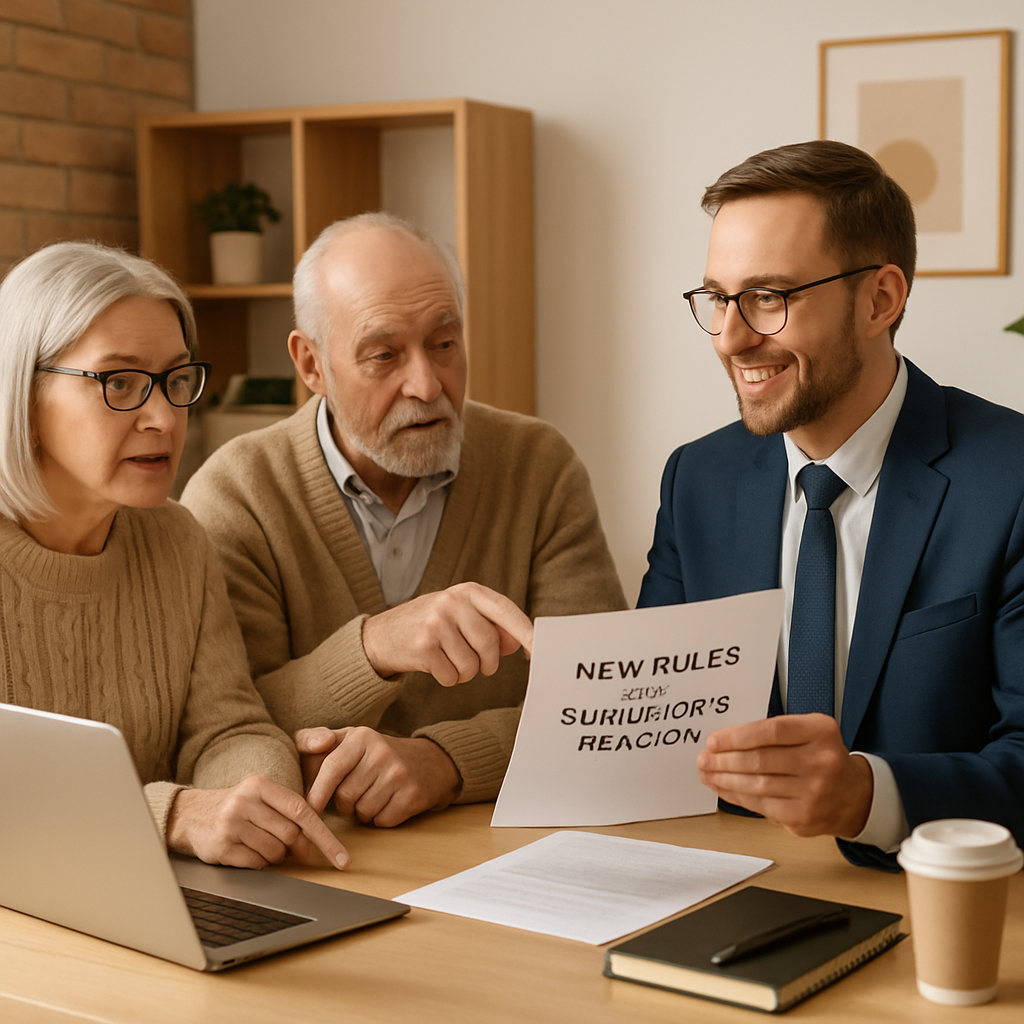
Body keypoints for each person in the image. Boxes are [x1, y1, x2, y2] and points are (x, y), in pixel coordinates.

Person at [638, 141, 1024, 870]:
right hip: (733, 890)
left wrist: (865, 796)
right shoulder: (697, 479)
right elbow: (659, 730)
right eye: (719, 298)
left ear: (880, 299)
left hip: (941, 911)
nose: (731, 338)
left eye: (769, 298)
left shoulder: (1010, 482)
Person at [181, 213, 626, 828]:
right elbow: (229, 724)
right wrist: (374, 648)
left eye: (444, 344)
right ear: (311, 364)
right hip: (337, 864)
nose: (425, 384)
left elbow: (602, 700)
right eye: (384, 355)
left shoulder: (537, 466)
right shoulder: (238, 494)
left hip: (515, 844)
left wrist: (446, 761)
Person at [0, 241, 349, 872]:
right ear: (23, 395)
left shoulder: (176, 541)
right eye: (121, 382)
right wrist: (175, 814)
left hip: (149, 896)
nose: (163, 416)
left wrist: (252, 799)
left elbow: (231, 728)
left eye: (175, 379)